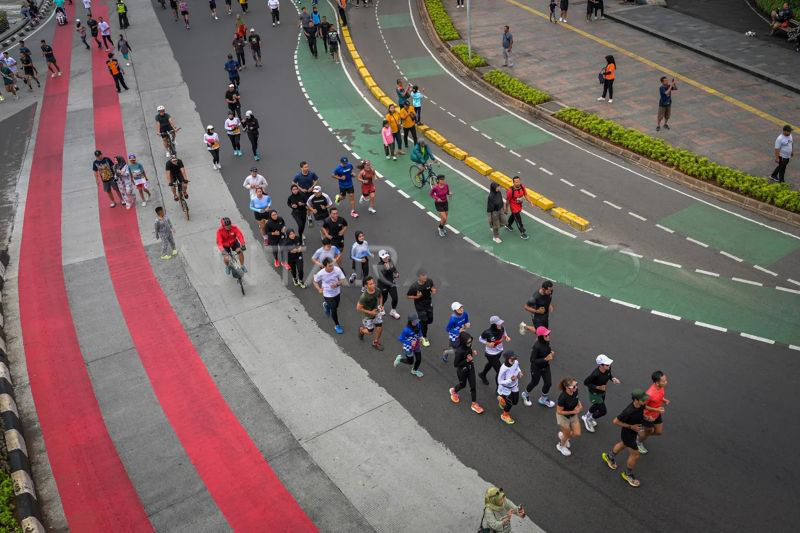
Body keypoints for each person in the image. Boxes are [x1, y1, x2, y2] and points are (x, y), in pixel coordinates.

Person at [602, 389, 649, 487]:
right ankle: (628, 474)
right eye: (643, 400)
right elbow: (615, 421)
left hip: (633, 432)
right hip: (628, 433)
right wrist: (631, 427)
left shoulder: (641, 405)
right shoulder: (628, 411)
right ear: (636, 400)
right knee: (635, 455)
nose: (645, 401)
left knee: (623, 444)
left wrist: (645, 418)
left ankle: (609, 457)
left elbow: (641, 411)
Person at [582, 354, 620, 432]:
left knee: (596, 406)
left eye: (609, 364)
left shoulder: (608, 368)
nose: (609, 365)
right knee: (603, 411)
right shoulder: (595, 374)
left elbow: (609, 375)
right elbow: (586, 383)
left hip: (602, 392)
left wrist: (613, 379)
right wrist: (598, 387)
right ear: (601, 365)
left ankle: (586, 416)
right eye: (607, 364)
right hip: (594, 394)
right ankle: (588, 419)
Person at [449, 332, 484, 414]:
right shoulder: (459, 351)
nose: (470, 343)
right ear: (463, 341)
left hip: (470, 367)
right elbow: (456, 364)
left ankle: (474, 404)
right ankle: (454, 391)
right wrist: (467, 360)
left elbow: (468, 353)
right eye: (468, 342)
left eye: (471, 341)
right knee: (463, 385)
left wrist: (472, 353)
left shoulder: (468, 346)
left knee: (473, 386)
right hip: (462, 371)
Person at [521, 325, 555, 407]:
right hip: (536, 368)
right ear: (541, 337)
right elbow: (532, 360)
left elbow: (547, 350)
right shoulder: (536, 346)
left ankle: (543, 399)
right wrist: (545, 359)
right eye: (546, 335)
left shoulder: (547, 342)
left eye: (548, 334)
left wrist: (550, 353)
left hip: (545, 367)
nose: (548, 336)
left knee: (548, 383)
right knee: (534, 382)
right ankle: (525, 394)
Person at [637, 370, 669, 454]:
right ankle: (638, 443)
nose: (666, 382)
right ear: (657, 383)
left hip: (656, 414)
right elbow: (643, 406)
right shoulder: (649, 394)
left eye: (666, 380)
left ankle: (641, 433)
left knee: (658, 432)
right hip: (648, 417)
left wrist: (664, 400)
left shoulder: (661, 387)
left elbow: (660, 396)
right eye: (664, 381)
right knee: (646, 433)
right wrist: (657, 409)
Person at [313, 257, 346, 334]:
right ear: (325, 266)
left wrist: (337, 284)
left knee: (336, 306)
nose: (332, 267)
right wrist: (319, 289)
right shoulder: (321, 273)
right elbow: (315, 282)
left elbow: (343, 280)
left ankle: (326, 305)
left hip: (337, 292)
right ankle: (337, 325)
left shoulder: (337, 270)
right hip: (327, 293)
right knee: (334, 309)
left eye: (332, 265)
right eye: (330, 266)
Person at [477, 316, 510, 385]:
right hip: (491, 354)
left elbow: (504, 333)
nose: (500, 325)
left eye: (500, 323)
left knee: (491, 363)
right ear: (493, 325)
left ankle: (482, 374)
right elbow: (480, 339)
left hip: (499, 351)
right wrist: (488, 343)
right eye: (498, 324)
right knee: (500, 371)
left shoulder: (502, 328)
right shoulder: (487, 332)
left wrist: (506, 337)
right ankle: (499, 388)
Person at [406, 270, 436, 346]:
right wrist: (417, 297)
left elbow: (432, 287)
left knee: (430, 320)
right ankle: (424, 337)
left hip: (429, 304)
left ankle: (419, 323)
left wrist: (433, 290)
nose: (425, 277)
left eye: (425, 275)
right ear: (419, 277)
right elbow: (408, 296)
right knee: (425, 322)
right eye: (423, 275)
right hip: (420, 307)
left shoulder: (429, 281)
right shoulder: (414, 286)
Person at [555, 377, 582, 456]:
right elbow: (559, 411)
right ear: (567, 388)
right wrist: (573, 411)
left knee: (577, 433)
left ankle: (564, 436)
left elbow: (577, 398)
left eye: (576, 384)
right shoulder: (563, 397)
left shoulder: (575, 390)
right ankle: (561, 446)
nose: (576, 387)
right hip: (563, 417)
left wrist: (579, 405)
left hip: (573, 414)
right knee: (567, 434)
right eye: (573, 386)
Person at [322, 207, 351, 280]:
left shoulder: (341, 219)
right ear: (330, 214)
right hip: (331, 240)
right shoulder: (327, 221)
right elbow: (323, 228)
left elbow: (346, 225)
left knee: (339, 255)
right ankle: (330, 267)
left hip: (340, 239)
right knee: (332, 255)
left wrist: (343, 231)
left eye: (337, 213)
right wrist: (327, 235)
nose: (336, 215)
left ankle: (338, 268)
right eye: (334, 214)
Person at [357, 276, 384, 350]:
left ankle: (375, 342)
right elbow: (358, 308)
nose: (373, 285)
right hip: (368, 316)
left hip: (376, 313)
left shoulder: (377, 290)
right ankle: (362, 330)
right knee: (370, 332)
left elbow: (380, 296)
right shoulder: (364, 297)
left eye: (373, 283)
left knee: (380, 328)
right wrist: (370, 312)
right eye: (370, 284)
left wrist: (381, 305)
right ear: (366, 286)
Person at [497, 351, 522, 425]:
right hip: (506, 388)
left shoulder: (515, 362)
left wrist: (520, 372)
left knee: (515, 401)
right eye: (512, 360)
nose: (514, 361)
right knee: (510, 403)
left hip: (514, 386)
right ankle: (504, 415)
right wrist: (510, 380)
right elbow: (499, 381)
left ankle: (501, 399)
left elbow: (517, 367)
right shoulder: (503, 369)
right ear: (507, 359)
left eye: (514, 359)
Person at [376, 249, 401, 319]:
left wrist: (396, 273)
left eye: (387, 257)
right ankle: (381, 307)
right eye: (384, 258)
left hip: (391, 283)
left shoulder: (390, 261)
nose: (386, 258)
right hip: (383, 285)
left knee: (395, 298)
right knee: (384, 298)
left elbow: (394, 269)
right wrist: (387, 269)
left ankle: (393, 311)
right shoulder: (379, 266)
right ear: (381, 258)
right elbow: (382, 277)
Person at [505, 176, 530, 240]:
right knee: (518, 219)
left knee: (514, 216)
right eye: (516, 182)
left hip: (519, 205)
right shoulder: (510, 191)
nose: (518, 183)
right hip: (513, 207)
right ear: (513, 182)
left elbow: (525, 194)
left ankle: (508, 225)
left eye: (518, 182)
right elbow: (507, 200)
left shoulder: (522, 187)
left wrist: (530, 201)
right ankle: (522, 232)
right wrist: (506, 209)